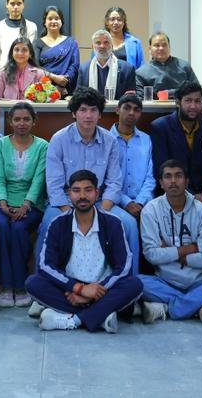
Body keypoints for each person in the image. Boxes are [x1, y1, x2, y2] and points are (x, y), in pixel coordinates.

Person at [26, 170, 143, 333]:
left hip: (102, 287)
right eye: (76, 190)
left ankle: (74, 320)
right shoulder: (58, 224)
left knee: (134, 284)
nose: (82, 196)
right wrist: (78, 289)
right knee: (33, 283)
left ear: (97, 193)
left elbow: (124, 266)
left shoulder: (113, 223)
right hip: (70, 287)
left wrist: (95, 291)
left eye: (88, 190)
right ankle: (100, 316)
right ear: (69, 194)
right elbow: (45, 265)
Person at [42, 88, 139, 275]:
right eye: (83, 110)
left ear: (100, 114)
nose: (88, 115)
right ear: (74, 113)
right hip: (66, 202)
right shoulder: (59, 139)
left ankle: (129, 281)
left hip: (100, 202)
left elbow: (114, 182)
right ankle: (47, 280)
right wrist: (69, 212)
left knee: (129, 224)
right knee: (49, 224)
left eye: (93, 110)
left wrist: (102, 211)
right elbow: (53, 184)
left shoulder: (110, 141)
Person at [139, 159, 202, 323]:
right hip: (164, 281)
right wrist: (189, 249)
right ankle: (196, 305)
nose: (173, 181)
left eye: (178, 176)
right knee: (137, 282)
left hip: (199, 282)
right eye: (168, 176)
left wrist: (168, 252)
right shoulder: (150, 210)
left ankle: (165, 308)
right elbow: (151, 255)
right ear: (161, 183)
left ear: (187, 181)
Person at [0, 101, 47, 308]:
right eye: (17, 119)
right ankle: (6, 287)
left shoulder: (43, 146)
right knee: (1, 226)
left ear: (34, 121)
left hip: (32, 203)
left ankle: (21, 286)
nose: (21, 123)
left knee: (18, 228)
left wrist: (26, 205)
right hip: (2, 201)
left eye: (26, 119)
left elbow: (39, 180)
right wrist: (3, 203)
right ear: (10, 121)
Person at [149, 80, 202, 197]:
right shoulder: (161, 127)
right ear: (178, 102)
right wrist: (191, 196)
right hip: (171, 194)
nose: (193, 106)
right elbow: (161, 169)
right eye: (188, 100)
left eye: (197, 101)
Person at [109, 93, 154, 270]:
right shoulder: (106, 139)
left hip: (144, 202)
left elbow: (151, 176)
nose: (131, 113)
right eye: (126, 108)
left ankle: (142, 275)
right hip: (114, 201)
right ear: (117, 110)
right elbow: (106, 179)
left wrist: (140, 202)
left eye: (136, 110)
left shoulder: (146, 140)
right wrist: (127, 203)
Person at [76, 29, 137, 99]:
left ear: (112, 46)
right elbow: (79, 97)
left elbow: (131, 99)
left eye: (106, 42)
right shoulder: (83, 69)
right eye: (98, 43)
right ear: (92, 47)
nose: (102, 46)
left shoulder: (127, 69)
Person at [135, 33, 198, 99]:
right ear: (150, 49)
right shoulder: (141, 73)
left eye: (164, 45)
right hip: (154, 105)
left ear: (169, 47)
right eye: (157, 45)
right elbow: (140, 99)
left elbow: (196, 91)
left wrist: (168, 93)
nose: (161, 48)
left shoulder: (184, 66)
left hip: (182, 105)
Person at [0, 0, 38, 75]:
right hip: (3, 73)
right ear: (6, 4)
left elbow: (31, 54)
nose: (15, 7)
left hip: (25, 75)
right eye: (12, 3)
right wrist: (1, 74)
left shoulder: (31, 26)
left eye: (19, 4)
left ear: (23, 5)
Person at [34, 5, 79, 98]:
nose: (54, 21)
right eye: (50, 19)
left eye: (57, 18)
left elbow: (74, 65)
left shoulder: (71, 42)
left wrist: (63, 83)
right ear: (45, 22)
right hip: (43, 90)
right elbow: (35, 67)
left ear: (61, 22)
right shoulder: (37, 43)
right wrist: (54, 78)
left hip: (66, 90)